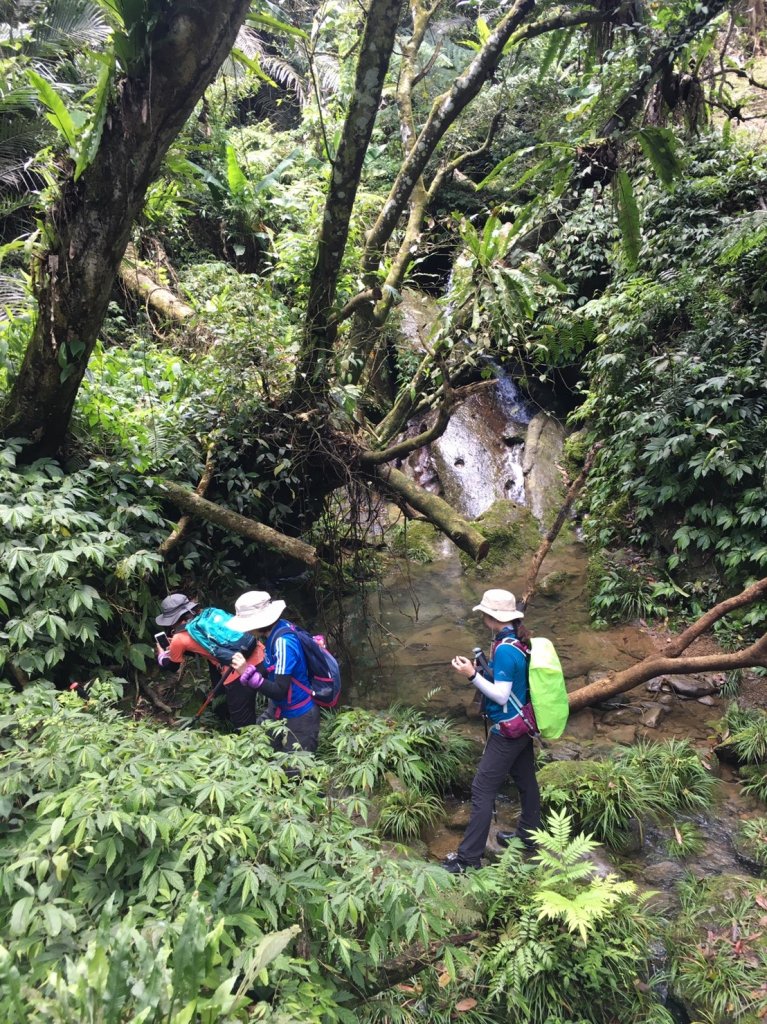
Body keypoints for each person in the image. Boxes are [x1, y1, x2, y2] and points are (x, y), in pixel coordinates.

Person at [442, 588, 542, 874]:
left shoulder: (506, 650)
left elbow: (500, 696)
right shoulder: (514, 641)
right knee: (525, 780)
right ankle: (527, 836)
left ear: (491, 617)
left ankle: (467, 859)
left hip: (508, 730)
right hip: (523, 724)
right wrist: (481, 670)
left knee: (482, 789)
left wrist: (472, 675)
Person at [154, 592, 264, 729]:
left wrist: (162, 656)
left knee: (244, 725)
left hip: (237, 671)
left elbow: (173, 667)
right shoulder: (210, 613)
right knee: (276, 704)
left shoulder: (178, 639)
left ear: (171, 619)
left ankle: (249, 744)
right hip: (260, 654)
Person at [228, 591, 320, 753]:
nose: (246, 630)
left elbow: (279, 690)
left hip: (299, 715)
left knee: (295, 770)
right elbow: (271, 667)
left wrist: (248, 675)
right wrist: (249, 673)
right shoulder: (277, 629)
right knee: (260, 746)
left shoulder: (283, 643)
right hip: (278, 710)